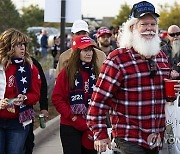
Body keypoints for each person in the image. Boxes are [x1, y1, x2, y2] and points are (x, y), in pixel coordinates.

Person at [86, 1, 180, 154]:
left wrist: (172, 93)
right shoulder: (117, 59)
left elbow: (163, 95)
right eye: (143, 24)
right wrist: (100, 134)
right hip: (128, 138)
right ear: (132, 28)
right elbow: (98, 101)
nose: (149, 29)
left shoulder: (161, 57)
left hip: (156, 138)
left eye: (153, 24)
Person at [52, 35, 99, 154]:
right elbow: (57, 98)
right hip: (70, 125)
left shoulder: (97, 71)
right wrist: (73, 117)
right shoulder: (67, 72)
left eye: (90, 50)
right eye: (85, 50)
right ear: (77, 52)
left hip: (91, 125)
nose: (89, 53)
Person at [0, 28, 41, 154]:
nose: (22, 48)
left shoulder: (31, 67)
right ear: (8, 46)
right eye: (18, 45)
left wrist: (25, 98)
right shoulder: (1, 66)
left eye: (24, 44)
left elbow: (35, 95)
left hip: (18, 122)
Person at [24, 56, 48, 154]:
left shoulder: (31, 62)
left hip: (25, 112)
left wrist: (44, 107)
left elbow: (42, 85)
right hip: (4, 114)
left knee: (27, 145)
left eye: (23, 44)